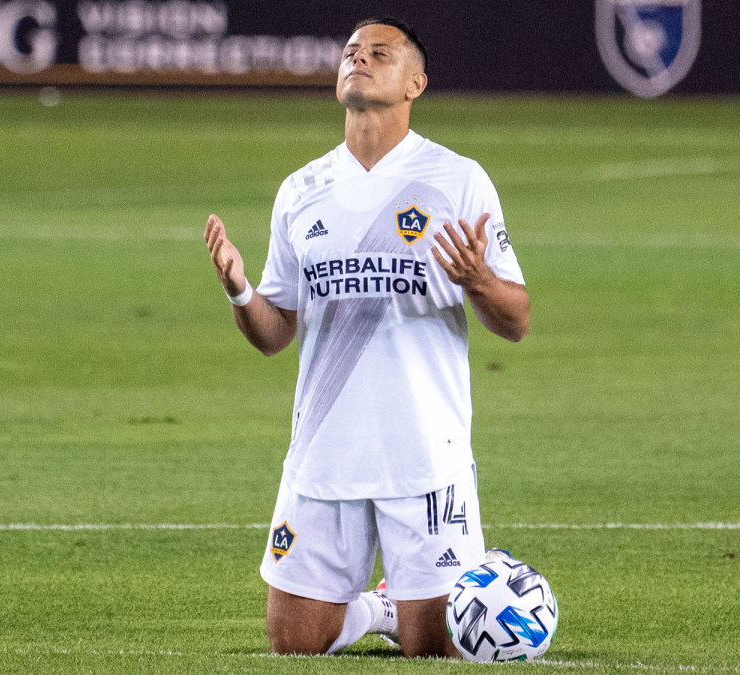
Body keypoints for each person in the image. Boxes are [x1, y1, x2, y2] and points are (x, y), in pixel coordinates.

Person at [203, 17, 529, 659]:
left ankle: (407, 607)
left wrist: (480, 281)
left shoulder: (457, 180)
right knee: (294, 645)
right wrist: (241, 291)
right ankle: (382, 604)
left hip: (424, 456)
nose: (359, 59)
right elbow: (274, 335)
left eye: (380, 53)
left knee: (433, 650)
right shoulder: (302, 192)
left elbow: (515, 319)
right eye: (351, 52)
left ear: (416, 83)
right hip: (325, 452)